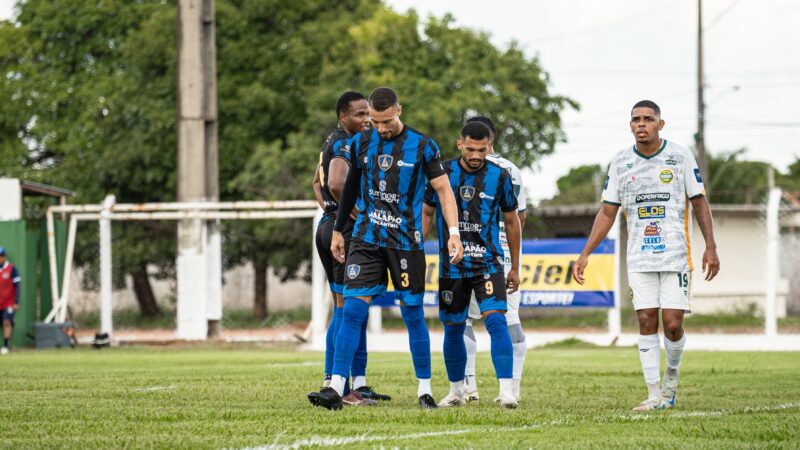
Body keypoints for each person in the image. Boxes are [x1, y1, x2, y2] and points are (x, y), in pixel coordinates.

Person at [308, 87, 464, 410]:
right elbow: (348, 186)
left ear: (399, 111)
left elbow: (445, 192)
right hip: (366, 239)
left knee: (412, 315)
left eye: (386, 121)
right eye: (375, 122)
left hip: (406, 243)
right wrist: (338, 229)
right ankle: (336, 387)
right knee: (352, 310)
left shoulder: (423, 146)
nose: (380, 128)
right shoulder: (361, 142)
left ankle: (424, 390)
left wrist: (453, 233)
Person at [573, 100, 720, 411]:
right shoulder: (620, 163)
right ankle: (655, 395)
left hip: (676, 255)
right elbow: (607, 212)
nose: (642, 124)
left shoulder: (679, 156)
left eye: (648, 119)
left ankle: (671, 377)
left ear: (660, 124)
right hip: (639, 257)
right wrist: (585, 252)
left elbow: (699, 202)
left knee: (672, 325)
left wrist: (711, 245)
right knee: (645, 320)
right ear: (630, 126)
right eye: (636, 119)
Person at [422, 121, 521, 409]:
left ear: (490, 146)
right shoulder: (442, 172)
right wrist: (417, 249)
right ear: (459, 144)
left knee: (496, 320)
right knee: (453, 327)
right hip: (452, 265)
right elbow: (427, 212)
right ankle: (456, 392)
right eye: (471, 149)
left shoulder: (501, 176)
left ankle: (506, 392)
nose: (477, 155)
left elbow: (513, 222)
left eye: (483, 149)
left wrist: (514, 265)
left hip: (488, 262)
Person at [310, 91, 390, 406]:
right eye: (359, 115)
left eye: (367, 114)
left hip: (329, 226)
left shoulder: (333, 141)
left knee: (346, 307)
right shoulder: (344, 142)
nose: (366, 120)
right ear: (344, 116)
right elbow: (335, 183)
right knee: (349, 309)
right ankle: (339, 387)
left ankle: (354, 383)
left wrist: (331, 212)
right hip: (342, 231)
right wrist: (355, 213)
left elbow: (316, 184)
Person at [460, 116, 529, 403]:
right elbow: (518, 218)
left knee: (462, 321)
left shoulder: (456, 170)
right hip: (501, 251)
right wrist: (514, 259)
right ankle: (511, 389)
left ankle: (469, 386)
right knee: (508, 319)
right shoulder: (512, 170)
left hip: (466, 251)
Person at [0, 247, 21, 355]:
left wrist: (16, 302)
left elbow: (17, 286)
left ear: (3, 257)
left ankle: (6, 346)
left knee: (6, 322)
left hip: (8, 303)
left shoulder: (12, 269)